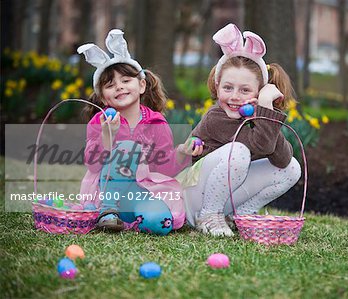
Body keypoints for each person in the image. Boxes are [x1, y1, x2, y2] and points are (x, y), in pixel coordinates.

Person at [179, 24, 302, 237]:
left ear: (260, 90)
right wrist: (263, 110)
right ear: (217, 87)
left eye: (245, 90)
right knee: (240, 151)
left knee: (292, 167)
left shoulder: (257, 116)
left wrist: (265, 112)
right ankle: (209, 216)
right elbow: (261, 145)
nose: (235, 96)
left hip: (223, 195)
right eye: (228, 88)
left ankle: (241, 216)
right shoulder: (216, 118)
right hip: (190, 199)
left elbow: (281, 159)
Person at [78, 29, 192, 233]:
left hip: (140, 192)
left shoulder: (157, 123)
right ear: (103, 98)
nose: (119, 87)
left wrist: (181, 153)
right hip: (105, 193)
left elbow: (163, 168)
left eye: (126, 80)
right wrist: (107, 135)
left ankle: (128, 219)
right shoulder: (100, 120)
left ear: (141, 85)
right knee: (128, 148)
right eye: (110, 85)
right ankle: (106, 212)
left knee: (159, 223)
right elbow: (92, 165)